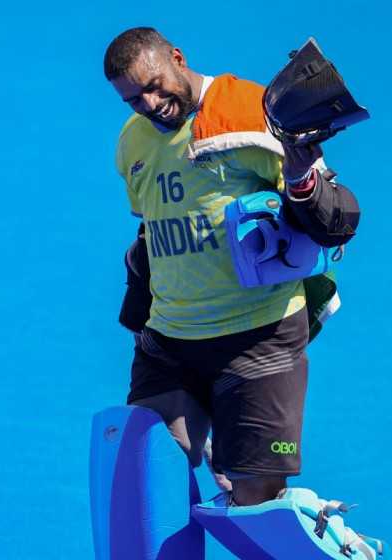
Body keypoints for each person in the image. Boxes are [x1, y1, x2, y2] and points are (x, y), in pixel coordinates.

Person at [105, 27, 358, 506]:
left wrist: (303, 179)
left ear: (177, 57)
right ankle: (217, 436)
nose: (151, 103)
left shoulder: (254, 112)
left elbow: (336, 223)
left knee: (255, 503)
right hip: (171, 343)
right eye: (133, 99)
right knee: (148, 475)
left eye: (155, 85)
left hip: (258, 340)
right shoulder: (132, 142)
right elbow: (152, 233)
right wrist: (139, 319)